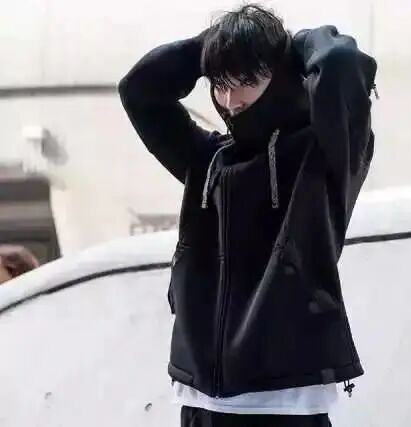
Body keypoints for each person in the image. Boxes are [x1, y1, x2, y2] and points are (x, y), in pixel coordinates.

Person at [118, 4, 377, 426]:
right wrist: (211, 49)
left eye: (248, 81)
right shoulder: (207, 158)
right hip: (200, 400)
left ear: (281, 74)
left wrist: (289, 45)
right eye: (221, 84)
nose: (230, 99)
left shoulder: (321, 153)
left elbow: (341, 65)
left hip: (286, 401)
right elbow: (139, 91)